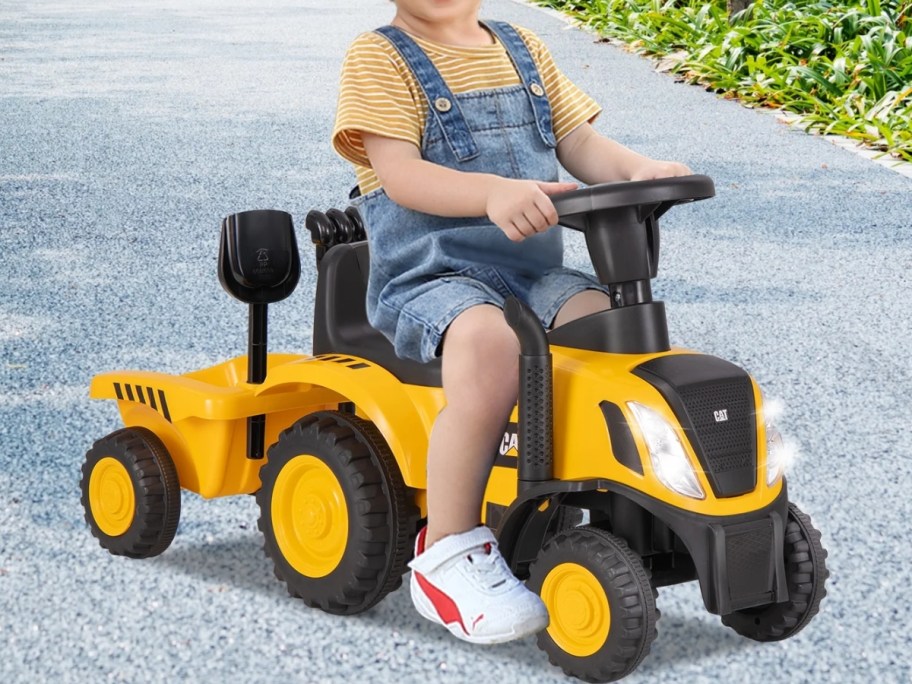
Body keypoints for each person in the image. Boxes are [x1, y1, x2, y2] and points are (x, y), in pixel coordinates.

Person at [332, 0, 690, 644]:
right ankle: (449, 550)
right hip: (430, 276)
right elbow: (400, 174)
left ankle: (622, 491)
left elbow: (579, 142)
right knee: (490, 345)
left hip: (531, 276)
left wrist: (639, 170)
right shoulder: (379, 55)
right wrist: (492, 192)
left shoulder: (522, 48)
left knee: (611, 331)